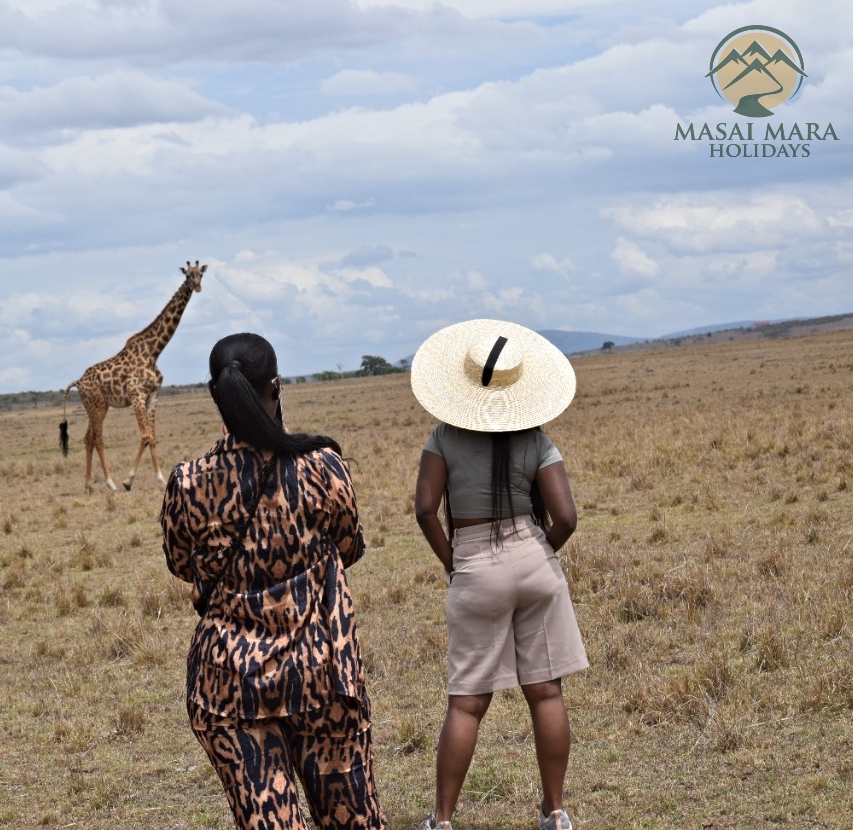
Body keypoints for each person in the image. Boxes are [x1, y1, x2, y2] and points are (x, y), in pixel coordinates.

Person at [161, 332, 386, 830]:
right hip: (323, 671)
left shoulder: (189, 482)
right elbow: (350, 548)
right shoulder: (323, 466)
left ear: (214, 394)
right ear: (276, 387)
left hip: (230, 685)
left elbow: (182, 564)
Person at [410, 319, 588, 830]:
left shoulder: (443, 437)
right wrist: (540, 552)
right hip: (535, 561)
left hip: (474, 564)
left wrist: (453, 563)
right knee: (547, 692)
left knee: (467, 703)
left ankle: (441, 820)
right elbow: (568, 518)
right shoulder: (536, 438)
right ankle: (554, 812)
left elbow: (425, 509)